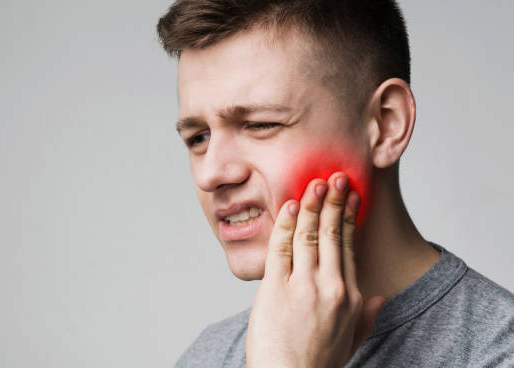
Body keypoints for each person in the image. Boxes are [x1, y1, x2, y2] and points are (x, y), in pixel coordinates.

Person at [156, 0, 514, 366]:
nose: (210, 174)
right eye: (198, 137)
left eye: (260, 124)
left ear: (386, 124)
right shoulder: (205, 356)